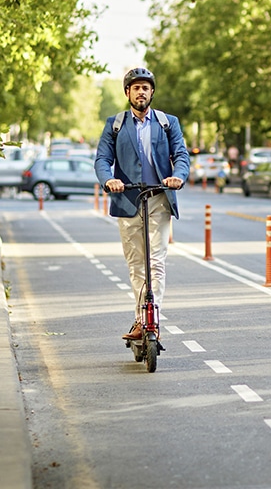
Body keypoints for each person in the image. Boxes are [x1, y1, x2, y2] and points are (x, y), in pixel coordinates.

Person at [95, 67, 190, 340]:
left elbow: (181, 155)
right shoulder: (115, 124)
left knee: (157, 261)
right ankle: (140, 319)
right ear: (128, 92)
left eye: (145, 88)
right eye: (136, 88)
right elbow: (102, 159)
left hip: (159, 198)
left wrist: (178, 177)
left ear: (152, 93)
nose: (141, 92)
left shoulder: (167, 122)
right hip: (128, 199)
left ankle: (153, 319)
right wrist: (109, 180)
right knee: (137, 263)